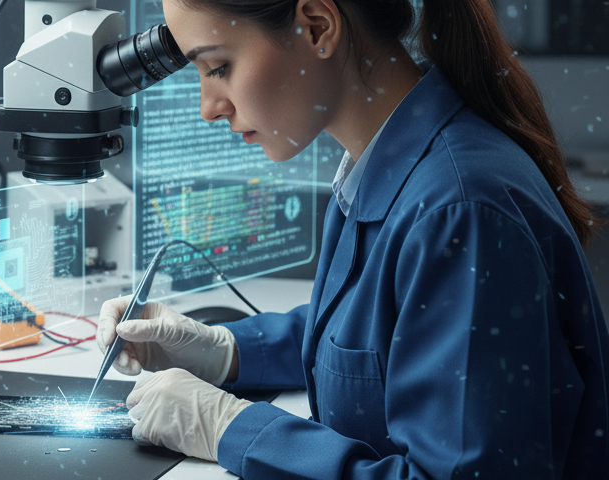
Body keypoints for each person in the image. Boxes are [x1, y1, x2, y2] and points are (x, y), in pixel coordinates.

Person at [97, 0, 609, 478]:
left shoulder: (459, 210)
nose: (208, 107)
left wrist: (233, 428)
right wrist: (223, 350)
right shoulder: (391, 165)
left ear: (318, 26)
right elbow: (384, 341)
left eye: (217, 67)